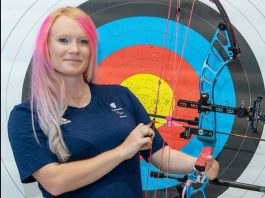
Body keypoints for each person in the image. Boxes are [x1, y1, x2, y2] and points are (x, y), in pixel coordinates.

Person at [8, 6, 219, 198]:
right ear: (46, 48)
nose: (75, 49)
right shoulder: (27, 115)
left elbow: (158, 154)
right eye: (63, 40)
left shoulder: (121, 96)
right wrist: (122, 152)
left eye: (83, 41)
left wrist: (198, 164)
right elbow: (55, 182)